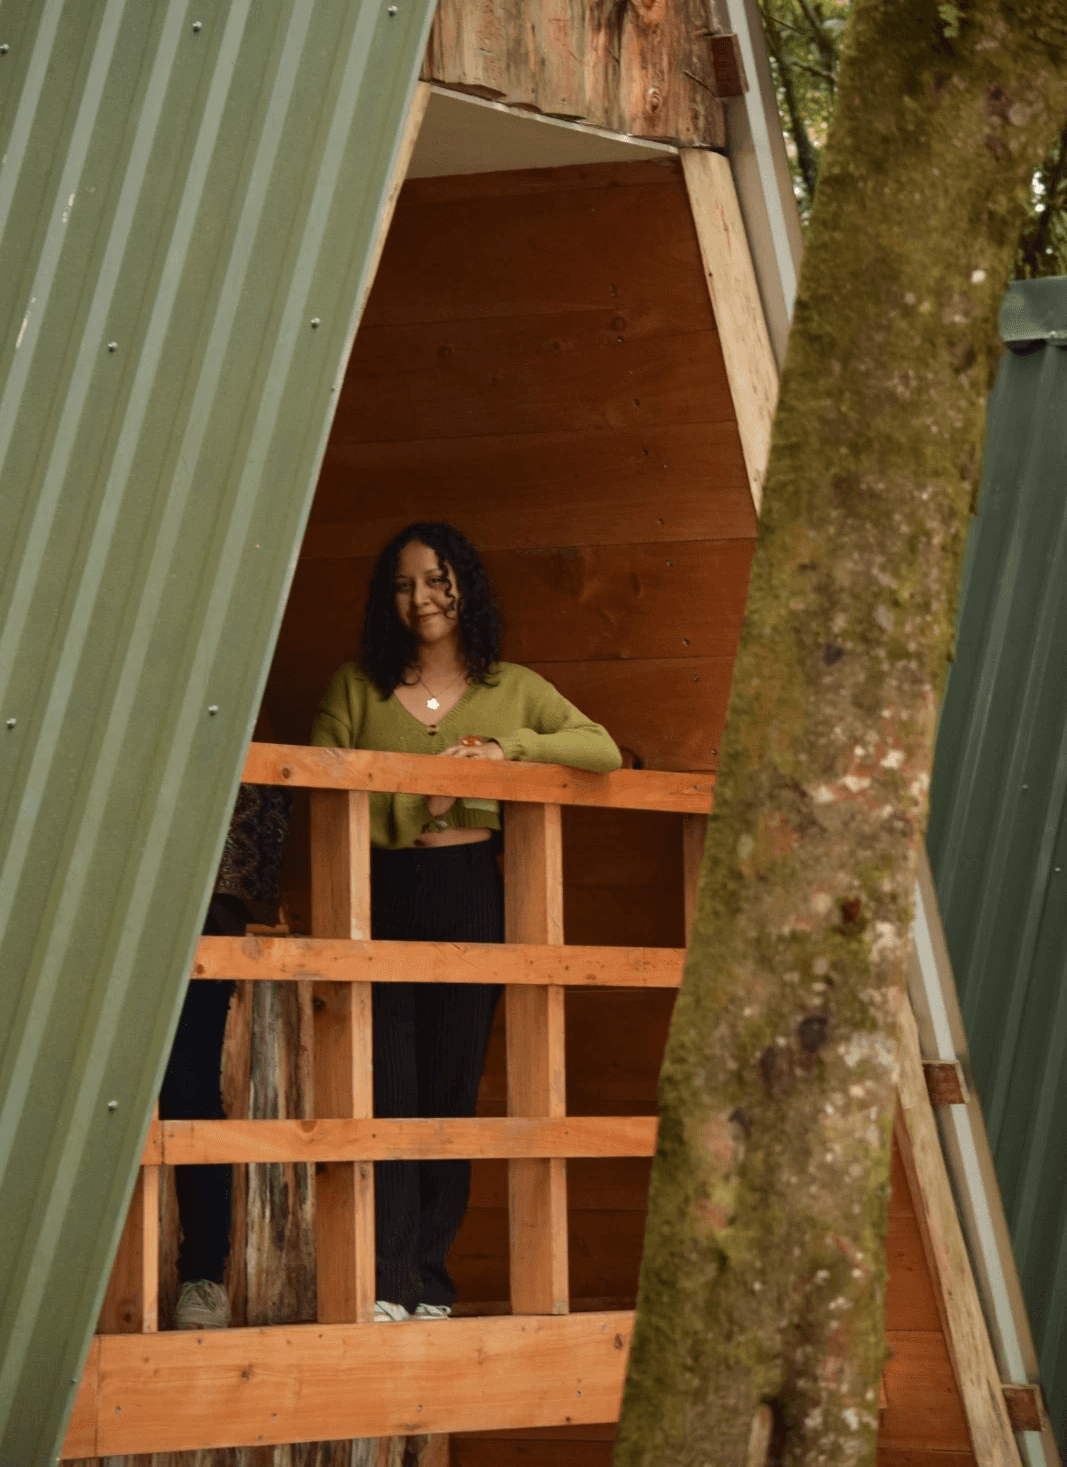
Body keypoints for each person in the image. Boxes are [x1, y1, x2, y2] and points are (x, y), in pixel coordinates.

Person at [310, 521, 621, 1321]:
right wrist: (415, 798)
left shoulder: (511, 686)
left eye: (438, 580)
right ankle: (383, 1283)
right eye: (406, 584)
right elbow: (317, 780)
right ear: (390, 599)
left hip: (466, 887)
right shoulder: (357, 684)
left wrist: (504, 752)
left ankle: (430, 1284)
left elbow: (601, 749)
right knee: (387, 1086)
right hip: (374, 889)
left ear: (464, 588)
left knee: (450, 1086)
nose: (423, 598)